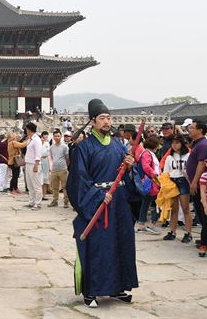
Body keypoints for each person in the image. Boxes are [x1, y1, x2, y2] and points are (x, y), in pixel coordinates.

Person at [67, 99, 138, 308]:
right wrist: (98, 196)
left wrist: (130, 166)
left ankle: (117, 286)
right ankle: (92, 290)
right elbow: (79, 179)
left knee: (121, 243)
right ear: (93, 122)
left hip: (119, 202)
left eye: (109, 118)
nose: (107, 122)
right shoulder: (84, 147)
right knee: (99, 246)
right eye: (102, 118)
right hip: (98, 203)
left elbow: (124, 175)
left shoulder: (117, 145)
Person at [161, 134, 193, 243]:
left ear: (182, 143)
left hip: (183, 181)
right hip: (172, 181)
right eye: (173, 143)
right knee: (174, 209)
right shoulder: (169, 157)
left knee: (185, 208)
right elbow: (165, 172)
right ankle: (172, 231)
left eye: (177, 143)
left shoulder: (188, 155)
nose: (174, 145)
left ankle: (188, 233)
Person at [187, 119, 207, 230]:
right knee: (199, 209)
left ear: (200, 130)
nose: (189, 130)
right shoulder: (197, 143)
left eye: (192, 128)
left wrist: (194, 182)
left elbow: (201, 165)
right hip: (195, 182)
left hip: (200, 183)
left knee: (202, 210)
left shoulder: (203, 145)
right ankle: (205, 237)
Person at [135, 136, 161, 235]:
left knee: (146, 203)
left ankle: (141, 225)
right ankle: (152, 223)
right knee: (160, 203)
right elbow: (146, 167)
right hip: (152, 182)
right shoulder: (147, 154)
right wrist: (155, 175)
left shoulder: (146, 153)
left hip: (150, 182)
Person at [48, 129, 69, 208]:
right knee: (54, 187)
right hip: (54, 169)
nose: (57, 137)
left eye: (58, 136)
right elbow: (52, 157)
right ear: (53, 137)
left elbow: (67, 158)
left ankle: (66, 201)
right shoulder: (51, 147)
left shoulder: (64, 147)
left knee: (65, 187)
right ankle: (55, 200)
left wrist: (66, 166)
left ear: (61, 137)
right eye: (55, 136)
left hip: (63, 169)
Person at [24, 123, 43, 210]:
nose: (26, 131)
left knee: (36, 185)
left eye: (27, 129)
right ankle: (31, 201)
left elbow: (38, 153)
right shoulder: (30, 139)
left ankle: (38, 203)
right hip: (28, 163)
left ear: (29, 130)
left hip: (34, 164)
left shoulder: (36, 140)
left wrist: (36, 164)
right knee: (30, 185)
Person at [40, 131, 52, 197]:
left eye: (47, 137)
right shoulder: (38, 143)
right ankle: (40, 194)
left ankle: (44, 195)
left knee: (45, 179)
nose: (46, 138)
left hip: (46, 162)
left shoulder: (47, 143)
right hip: (39, 161)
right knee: (40, 179)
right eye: (45, 137)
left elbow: (48, 152)